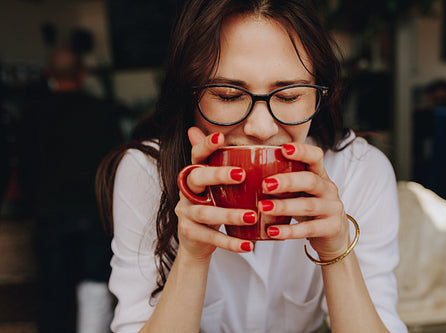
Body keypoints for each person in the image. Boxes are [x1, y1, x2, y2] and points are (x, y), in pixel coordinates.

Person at [96, 0, 407, 332]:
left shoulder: (360, 170)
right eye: (229, 95)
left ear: (320, 95)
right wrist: (192, 258)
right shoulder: (147, 173)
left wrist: (336, 250)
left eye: (289, 96)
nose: (262, 128)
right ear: (189, 96)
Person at [18, 46, 123, 333]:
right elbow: (116, 166)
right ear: (82, 74)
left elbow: (25, 167)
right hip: (93, 213)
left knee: (54, 293)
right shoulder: (102, 111)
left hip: (49, 213)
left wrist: (29, 203)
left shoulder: (33, 114)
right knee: (94, 289)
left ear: (48, 74)